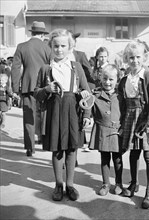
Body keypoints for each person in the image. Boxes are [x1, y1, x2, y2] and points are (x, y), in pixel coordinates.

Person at [34, 29, 91, 202]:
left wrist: (87, 114)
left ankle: (70, 184)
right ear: (51, 46)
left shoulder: (76, 67)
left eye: (63, 46)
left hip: (73, 110)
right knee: (57, 149)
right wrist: (46, 89)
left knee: (72, 148)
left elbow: (86, 92)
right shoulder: (45, 69)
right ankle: (58, 184)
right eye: (56, 46)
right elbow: (36, 93)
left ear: (70, 47)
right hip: (54, 111)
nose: (59, 49)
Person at [118, 39, 149, 209]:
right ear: (126, 59)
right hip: (130, 118)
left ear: (144, 58)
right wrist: (121, 123)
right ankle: (134, 183)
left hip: (145, 120)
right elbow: (122, 103)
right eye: (130, 58)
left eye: (137, 57)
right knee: (134, 153)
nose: (134, 61)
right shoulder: (124, 80)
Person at [11, 21, 51, 156]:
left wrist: (15, 88)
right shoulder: (47, 48)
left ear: (31, 32)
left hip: (28, 86)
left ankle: (30, 147)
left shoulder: (22, 46)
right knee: (45, 115)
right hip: (45, 87)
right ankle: (44, 141)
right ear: (42, 34)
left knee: (29, 116)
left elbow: (15, 68)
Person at [88, 64, 124, 196]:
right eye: (105, 78)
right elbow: (88, 107)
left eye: (111, 79)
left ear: (117, 80)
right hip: (102, 130)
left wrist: (123, 128)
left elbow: (125, 113)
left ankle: (119, 183)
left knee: (117, 158)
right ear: (100, 78)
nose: (107, 82)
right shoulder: (96, 94)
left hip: (117, 131)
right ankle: (106, 183)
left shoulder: (121, 96)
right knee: (104, 158)